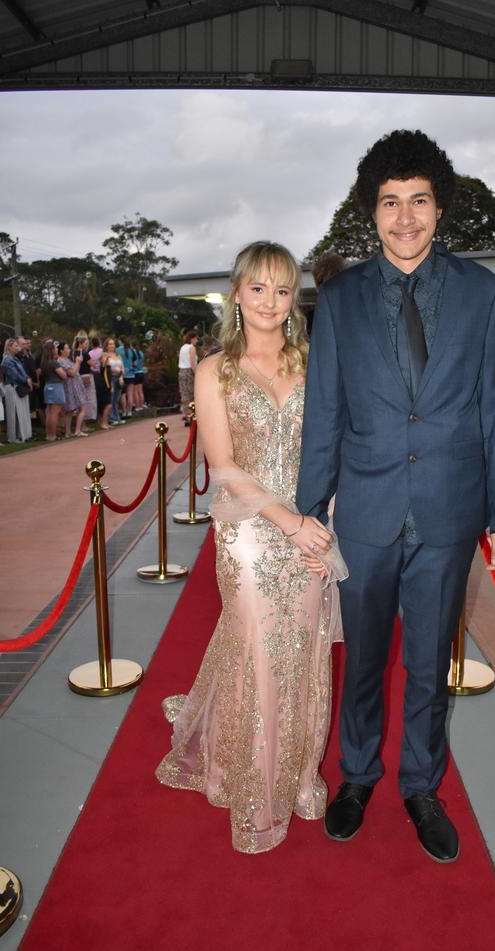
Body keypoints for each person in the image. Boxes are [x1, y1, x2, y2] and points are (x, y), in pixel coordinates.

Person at [296, 129, 495, 862]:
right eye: (390, 202)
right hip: (363, 512)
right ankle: (357, 776)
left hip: (449, 512)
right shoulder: (339, 299)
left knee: (429, 665)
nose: (405, 218)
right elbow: (326, 410)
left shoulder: (484, 294)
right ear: (373, 209)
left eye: (418, 200)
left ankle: (421, 786)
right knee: (363, 659)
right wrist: (308, 510)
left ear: (439, 207)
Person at [156, 241, 347, 854]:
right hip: (249, 531)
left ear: (295, 298)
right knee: (261, 651)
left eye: (282, 289)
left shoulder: (318, 361)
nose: (269, 301)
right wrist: (287, 521)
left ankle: (297, 779)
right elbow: (224, 466)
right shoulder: (216, 369)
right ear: (237, 293)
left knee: (307, 650)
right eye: (257, 288)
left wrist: (322, 524)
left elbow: (336, 452)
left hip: (313, 528)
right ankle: (255, 790)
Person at [0, 337, 32, 443]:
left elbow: (22, 372)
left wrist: (27, 378)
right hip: (12, 388)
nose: (18, 348)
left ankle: (22, 435)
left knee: (21, 412)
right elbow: (14, 375)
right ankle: (13, 437)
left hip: (19, 386)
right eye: (16, 346)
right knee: (13, 413)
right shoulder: (7, 359)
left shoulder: (16, 358)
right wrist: (26, 380)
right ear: (9, 347)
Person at [58, 341, 87, 437]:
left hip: (75, 386)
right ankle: (77, 430)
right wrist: (78, 362)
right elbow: (72, 372)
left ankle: (68, 432)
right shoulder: (61, 361)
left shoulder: (67, 360)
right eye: (66, 348)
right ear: (61, 350)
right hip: (70, 388)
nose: (69, 350)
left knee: (70, 410)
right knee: (80, 407)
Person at [40, 340, 67, 442]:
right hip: (56, 386)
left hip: (48, 386)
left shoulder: (44, 362)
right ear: (52, 350)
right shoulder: (54, 363)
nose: (56, 349)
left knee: (49, 412)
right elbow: (63, 375)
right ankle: (52, 435)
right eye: (55, 348)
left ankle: (49, 434)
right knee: (55, 412)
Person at [73, 331, 97, 424]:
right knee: (88, 400)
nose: (86, 346)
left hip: (78, 376)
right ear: (81, 344)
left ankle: (82, 423)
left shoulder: (75, 352)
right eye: (85, 344)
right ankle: (85, 421)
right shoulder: (85, 353)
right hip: (86, 376)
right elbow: (93, 364)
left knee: (81, 400)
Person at [177, 329, 199, 425]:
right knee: (191, 394)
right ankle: (192, 416)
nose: (197, 341)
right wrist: (197, 374)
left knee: (184, 394)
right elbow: (192, 362)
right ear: (192, 339)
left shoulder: (183, 347)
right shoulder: (191, 348)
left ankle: (186, 415)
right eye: (195, 339)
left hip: (182, 372)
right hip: (189, 372)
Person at [102, 337, 125, 425]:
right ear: (106, 346)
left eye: (113, 344)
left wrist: (121, 376)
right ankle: (111, 418)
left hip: (119, 378)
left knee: (116, 399)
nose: (112, 346)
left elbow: (122, 367)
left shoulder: (118, 355)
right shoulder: (104, 354)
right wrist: (114, 370)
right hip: (110, 378)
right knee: (111, 398)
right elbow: (105, 366)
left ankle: (116, 417)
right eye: (110, 344)